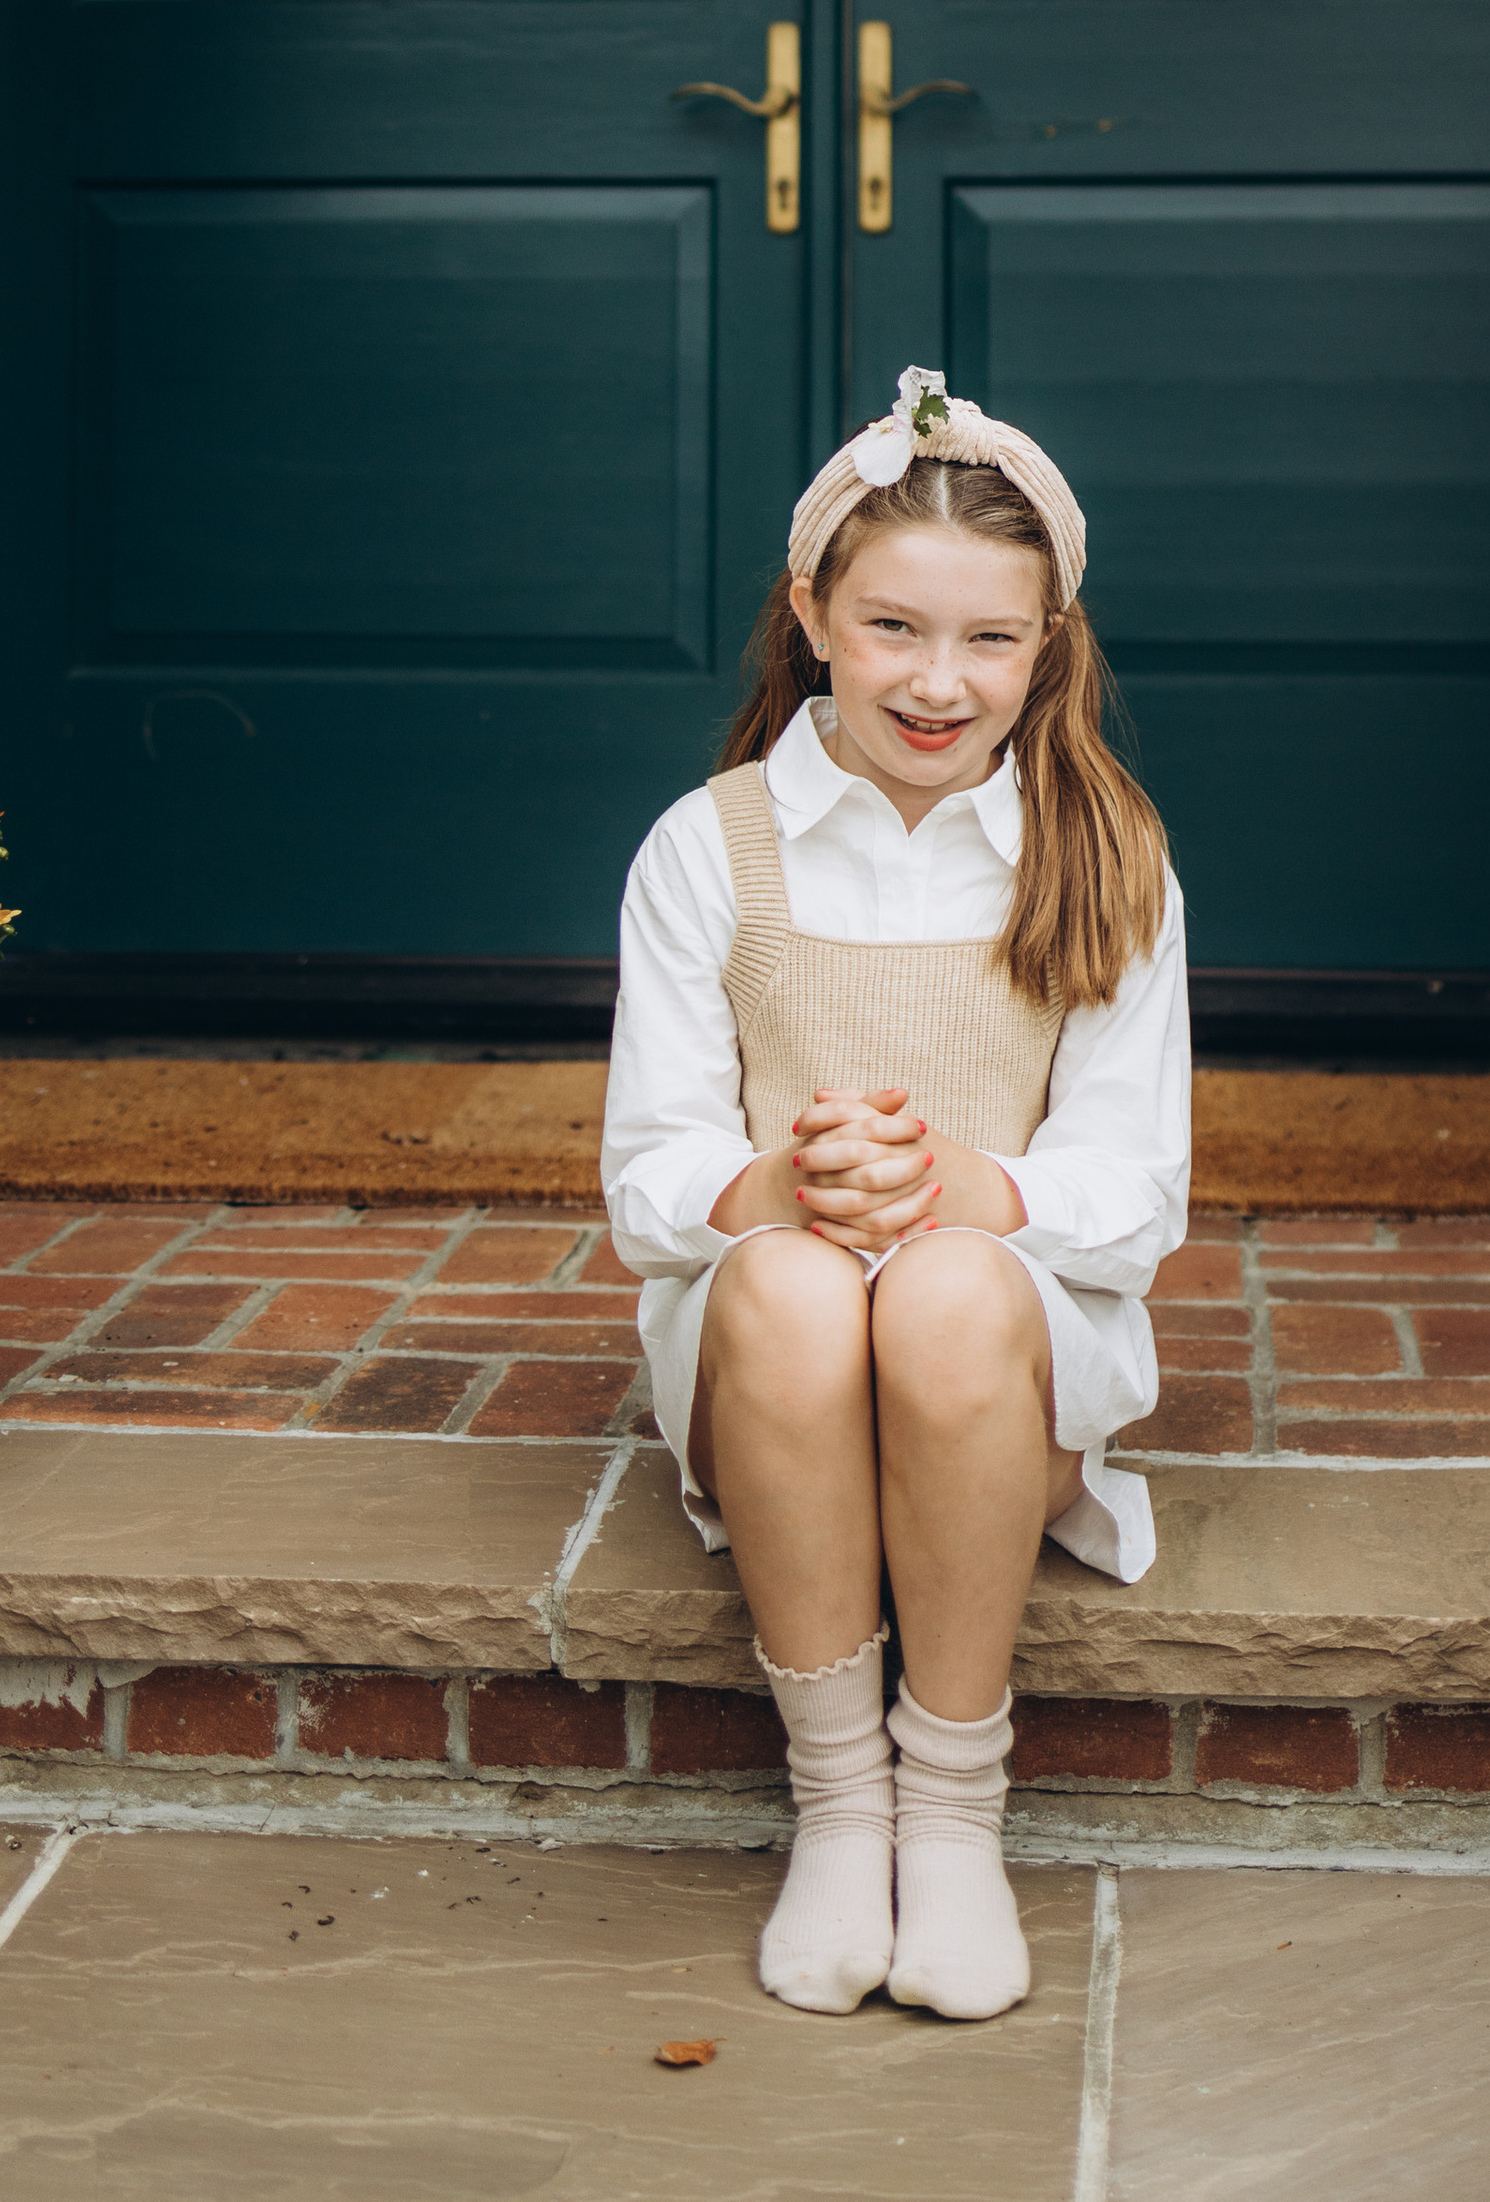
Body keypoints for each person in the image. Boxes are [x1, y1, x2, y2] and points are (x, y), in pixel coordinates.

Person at [602, 365, 1191, 2023]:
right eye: (892, 630)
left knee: (935, 1284)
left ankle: (951, 1804)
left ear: (1050, 644)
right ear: (811, 616)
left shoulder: (1106, 853)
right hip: (771, 1348)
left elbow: (1140, 1190)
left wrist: (973, 1192)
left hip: (993, 1344)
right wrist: (778, 1178)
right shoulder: (709, 848)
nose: (940, 683)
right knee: (793, 1281)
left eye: (990, 640)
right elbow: (646, 1174)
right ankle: (840, 1799)